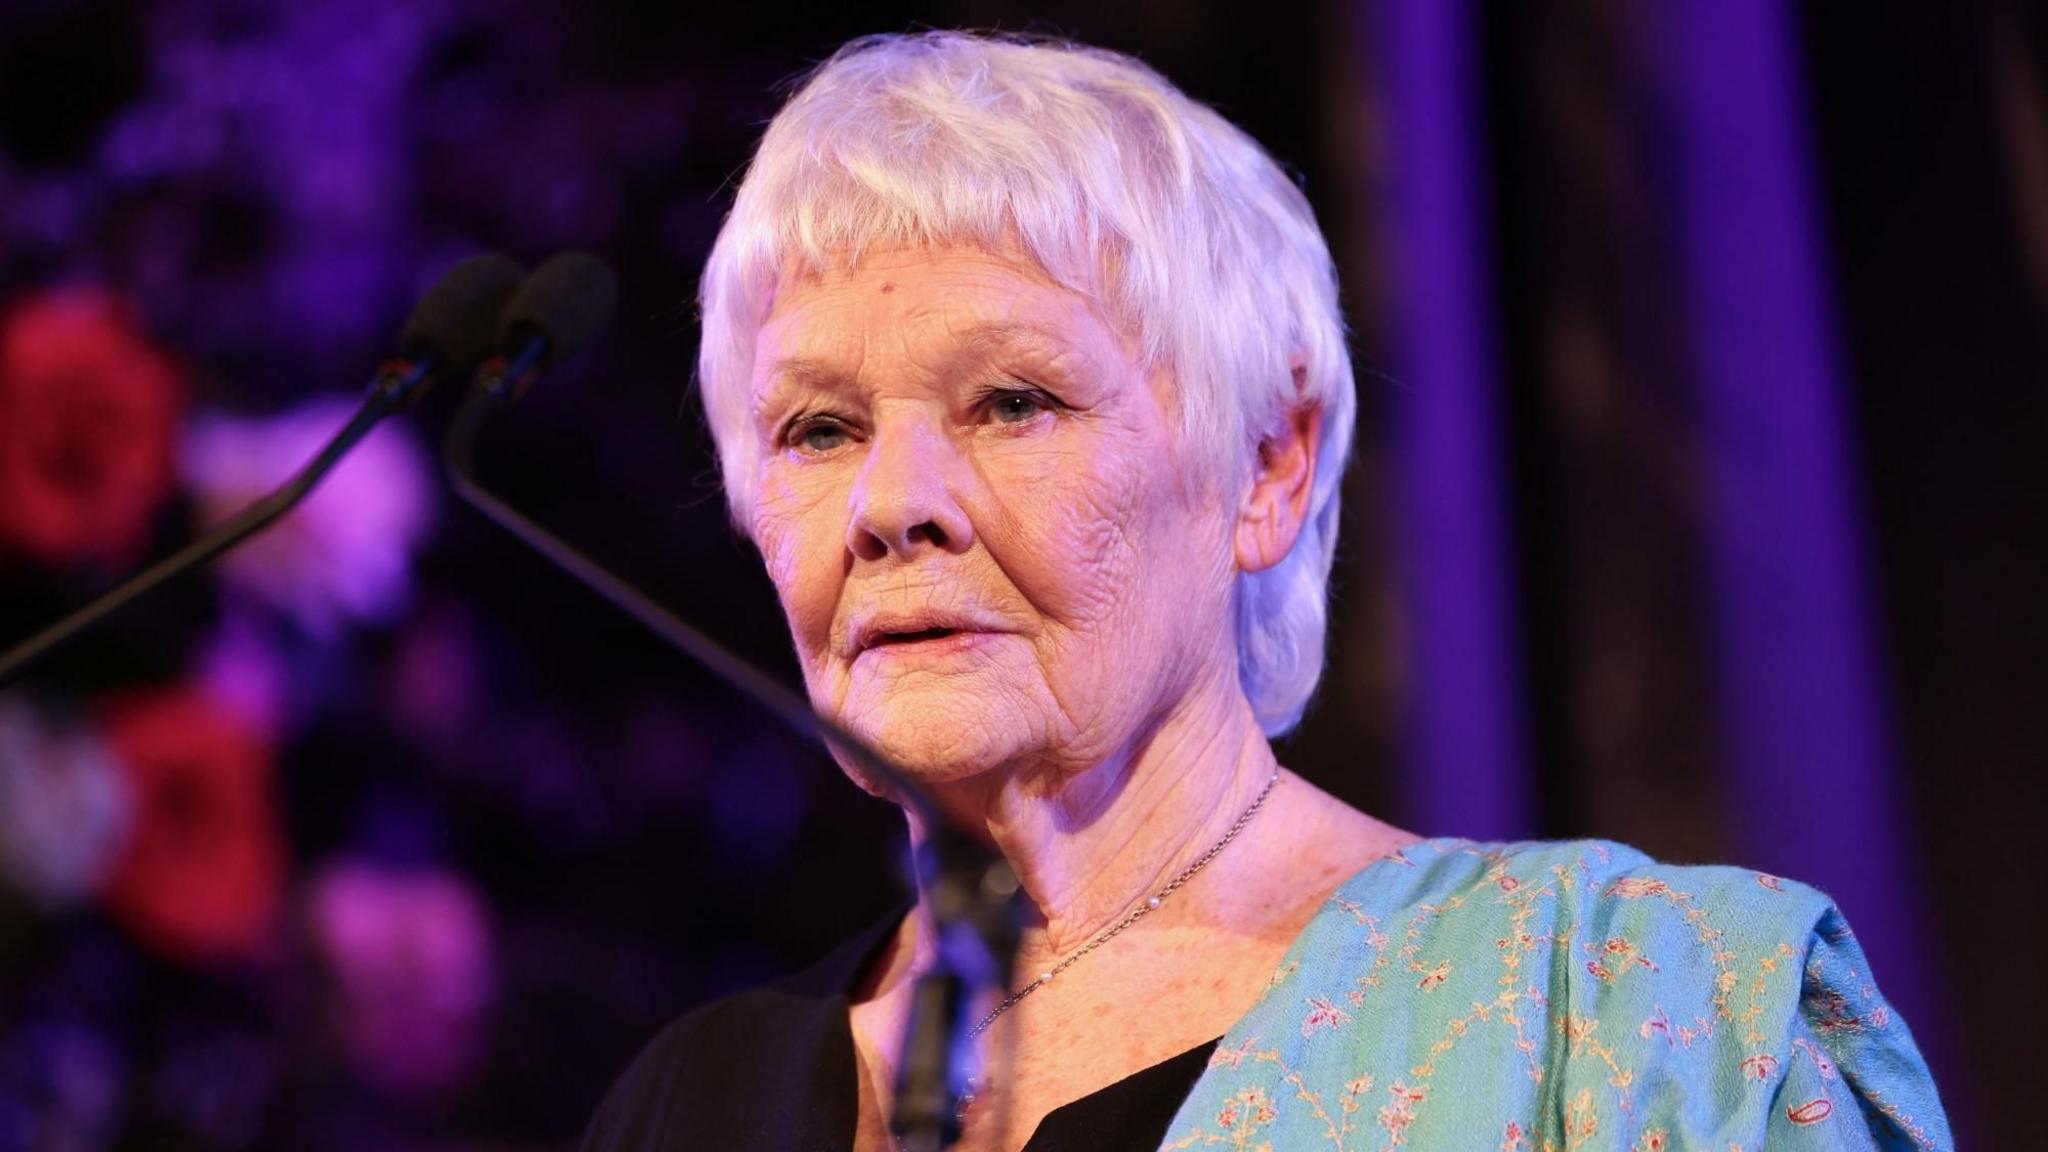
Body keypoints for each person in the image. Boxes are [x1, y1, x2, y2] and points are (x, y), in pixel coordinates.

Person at [581, 30, 1950, 1152]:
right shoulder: (687, 1108)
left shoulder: (1637, 1009)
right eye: (819, 431)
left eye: (1013, 400)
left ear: (1268, 466)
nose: (891, 506)